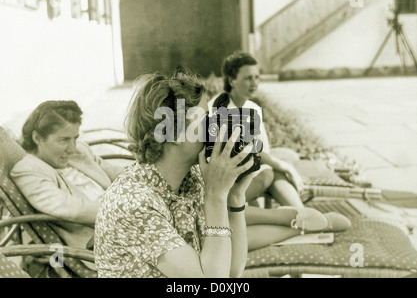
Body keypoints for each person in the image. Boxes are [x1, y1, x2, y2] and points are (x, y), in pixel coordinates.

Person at [93, 72, 335, 278]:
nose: (214, 126)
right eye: (205, 119)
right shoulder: (133, 203)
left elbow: (231, 271)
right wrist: (216, 195)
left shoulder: (190, 179)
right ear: (173, 133)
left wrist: (235, 197)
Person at [208, 51, 351, 238]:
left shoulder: (252, 107)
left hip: (248, 172)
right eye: (248, 78)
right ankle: (304, 217)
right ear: (232, 80)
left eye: (257, 77)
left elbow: (260, 150)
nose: (254, 83)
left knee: (280, 163)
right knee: (270, 172)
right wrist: (281, 165)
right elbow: (244, 153)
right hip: (226, 184)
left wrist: (279, 162)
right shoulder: (220, 108)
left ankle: (304, 217)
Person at [10, 100, 125, 253]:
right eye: (63, 140)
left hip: (125, 217)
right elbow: (73, 209)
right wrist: (127, 210)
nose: (72, 148)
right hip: (101, 238)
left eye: (75, 138)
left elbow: (113, 171)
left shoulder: (78, 150)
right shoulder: (28, 170)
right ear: (37, 138)